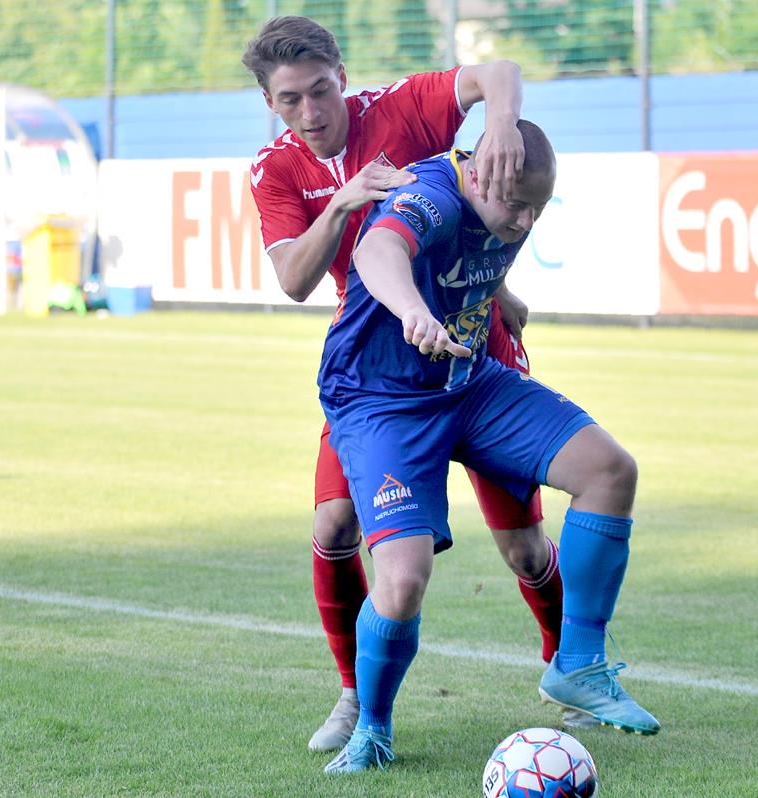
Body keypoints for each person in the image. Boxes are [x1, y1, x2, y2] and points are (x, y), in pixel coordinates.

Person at [241, 16, 570, 753]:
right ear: (270, 102)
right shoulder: (275, 170)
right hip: (374, 369)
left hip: (471, 347)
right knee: (333, 527)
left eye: (321, 90)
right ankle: (355, 697)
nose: (311, 112)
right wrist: (343, 201)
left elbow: (497, 74)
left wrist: (502, 126)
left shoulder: (400, 109)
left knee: (523, 546)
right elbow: (293, 278)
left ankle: (568, 667)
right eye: (291, 100)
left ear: (342, 76)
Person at [318, 120, 660, 775]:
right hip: (380, 401)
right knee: (403, 579)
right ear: (475, 175)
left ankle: (578, 665)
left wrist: (499, 290)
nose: (525, 220)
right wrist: (412, 310)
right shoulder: (433, 194)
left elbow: (474, 246)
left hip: (467, 381)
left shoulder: (504, 200)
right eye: (515, 204)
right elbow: (379, 250)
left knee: (610, 471)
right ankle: (372, 729)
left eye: (538, 207)